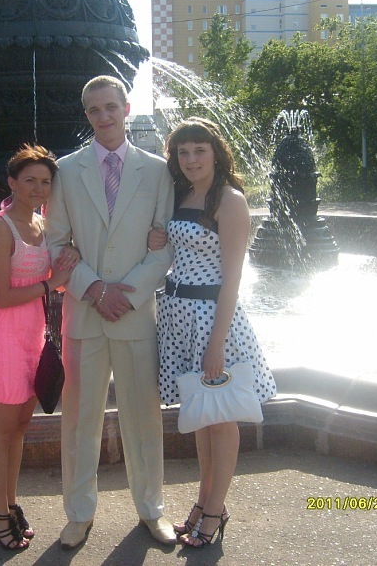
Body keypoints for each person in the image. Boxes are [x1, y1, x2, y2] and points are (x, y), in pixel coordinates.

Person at [44, 75, 176, 549]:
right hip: (84, 313)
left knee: (144, 419)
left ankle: (152, 510)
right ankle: (79, 513)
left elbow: (165, 246)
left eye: (110, 107)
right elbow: (55, 243)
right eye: (94, 109)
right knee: (80, 420)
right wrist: (97, 289)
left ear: (126, 108)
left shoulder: (158, 171)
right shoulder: (65, 171)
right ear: (86, 115)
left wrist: (129, 295)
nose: (103, 116)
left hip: (136, 315)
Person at [150, 117, 277, 548]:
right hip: (179, 316)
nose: (190, 160)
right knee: (203, 417)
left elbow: (232, 279)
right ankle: (205, 503)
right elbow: (176, 251)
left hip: (212, 318)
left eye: (199, 151)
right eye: (183, 152)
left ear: (215, 153)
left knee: (220, 419)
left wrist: (217, 344)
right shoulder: (182, 193)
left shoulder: (229, 200)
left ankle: (215, 510)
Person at [0, 144, 78, 551]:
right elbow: (2, 296)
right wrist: (52, 283)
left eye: (45, 182)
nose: (38, 188)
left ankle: (9, 503)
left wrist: (66, 266)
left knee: (19, 426)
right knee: (0, 427)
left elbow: (53, 282)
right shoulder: (0, 228)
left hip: (33, 337)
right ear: (12, 182)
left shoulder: (42, 225)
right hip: (2, 337)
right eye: (30, 180)